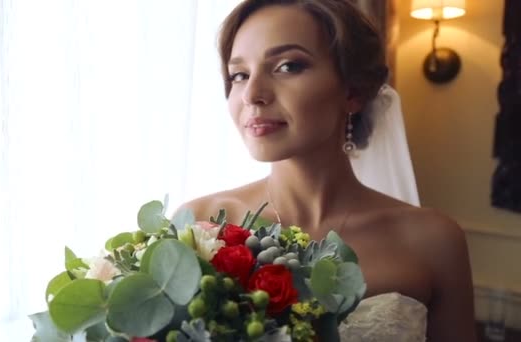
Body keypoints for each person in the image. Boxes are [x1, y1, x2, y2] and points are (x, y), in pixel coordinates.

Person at [177, 0, 477, 341]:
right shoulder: (199, 224)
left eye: (288, 66)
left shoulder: (434, 240)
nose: (253, 94)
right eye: (239, 75)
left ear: (353, 91)